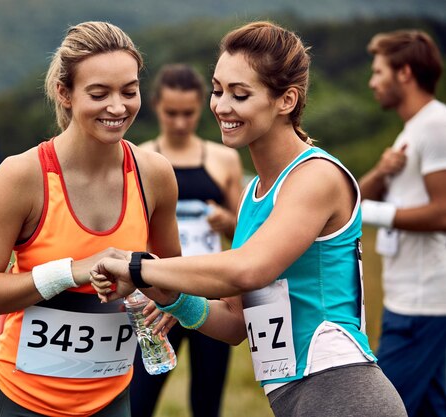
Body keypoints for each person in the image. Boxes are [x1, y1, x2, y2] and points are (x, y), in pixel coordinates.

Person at [90, 21, 407, 417]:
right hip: (293, 395)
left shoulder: (316, 177)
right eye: (218, 90)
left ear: (286, 100)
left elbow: (249, 270)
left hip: (340, 386)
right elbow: (236, 323)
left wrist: (142, 268)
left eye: (240, 94)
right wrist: (172, 298)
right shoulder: (253, 194)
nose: (222, 106)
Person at [0, 21, 181, 417]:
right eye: (99, 93)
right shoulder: (22, 176)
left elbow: (173, 276)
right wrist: (72, 272)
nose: (118, 107)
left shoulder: (154, 174)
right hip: (20, 399)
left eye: (129, 91)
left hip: (111, 400)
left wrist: (166, 301)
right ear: (65, 93)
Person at [134, 63, 243, 417]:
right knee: (139, 398)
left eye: (189, 113)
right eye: (171, 113)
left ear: (202, 107)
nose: (180, 123)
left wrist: (226, 220)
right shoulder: (137, 155)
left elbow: (246, 235)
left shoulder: (224, 158)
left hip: (210, 296)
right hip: (156, 295)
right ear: (155, 106)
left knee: (207, 401)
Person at [359, 29, 446, 417]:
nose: (372, 82)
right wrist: (380, 171)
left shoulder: (436, 125)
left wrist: (370, 215)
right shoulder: (411, 130)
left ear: (404, 73)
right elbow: (354, 198)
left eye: (379, 71)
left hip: (423, 306)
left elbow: (443, 213)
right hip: (412, 302)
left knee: (381, 408)